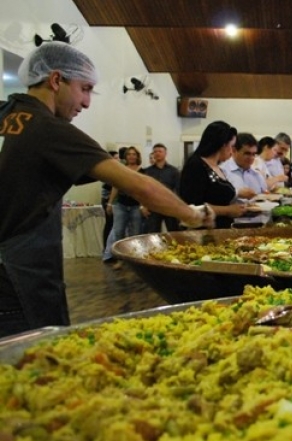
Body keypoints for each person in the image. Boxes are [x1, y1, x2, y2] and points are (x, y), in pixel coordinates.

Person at [0, 42, 213, 336]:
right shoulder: (49, 130)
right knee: (29, 365)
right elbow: (137, 184)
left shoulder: (7, 112)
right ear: (55, 80)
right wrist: (191, 214)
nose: (86, 102)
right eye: (85, 88)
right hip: (17, 278)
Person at [179, 121, 245, 229]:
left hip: (222, 227)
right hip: (203, 230)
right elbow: (194, 206)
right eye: (231, 146)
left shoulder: (217, 167)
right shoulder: (196, 165)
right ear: (222, 145)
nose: (232, 152)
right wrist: (228, 210)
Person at [102, 146, 145, 265]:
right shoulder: (121, 169)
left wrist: (143, 205)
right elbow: (116, 186)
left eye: (134, 154)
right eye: (129, 154)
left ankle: (135, 259)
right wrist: (110, 203)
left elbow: (142, 191)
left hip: (136, 206)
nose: (131, 156)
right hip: (121, 205)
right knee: (118, 232)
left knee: (136, 233)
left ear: (137, 156)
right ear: (126, 156)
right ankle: (120, 259)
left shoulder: (143, 171)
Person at [142, 143, 181, 233]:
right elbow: (144, 190)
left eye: (160, 151)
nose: (157, 153)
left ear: (165, 153)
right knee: (153, 232)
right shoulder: (148, 171)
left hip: (170, 205)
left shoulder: (174, 171)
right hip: (153, 205)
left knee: (174, 231)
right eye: (155, 151)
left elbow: (178, 190)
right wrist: (143, 206)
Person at [220, 132, 268, 199]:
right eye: (247, 153)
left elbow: (265, 194)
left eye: (254, 154)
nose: (251, 158)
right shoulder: (222, 172)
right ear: (234, 151)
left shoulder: (256, 175)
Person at [100, 150, 119, 246]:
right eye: (115, 158)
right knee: (110, 224)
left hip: (113, 201)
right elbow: (112, 187)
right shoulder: (108, 171)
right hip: (108, 201)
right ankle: (107, 248)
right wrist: (109, 203)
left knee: (113, 225)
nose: (118, 160)